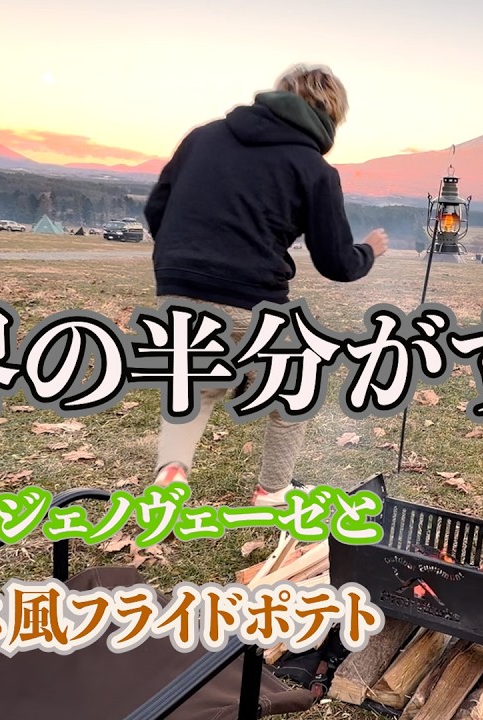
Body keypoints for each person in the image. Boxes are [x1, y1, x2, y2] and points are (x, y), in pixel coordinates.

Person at [143, 64, 388, 507]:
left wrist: (186, 259)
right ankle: (273, 491)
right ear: (331, 114)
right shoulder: (313, 168)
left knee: (198, 385)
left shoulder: (203, 137)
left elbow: (156, 210)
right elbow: (335, 262)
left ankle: (172, 471)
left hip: (175, 287)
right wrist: (368, 250)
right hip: (250, 298)